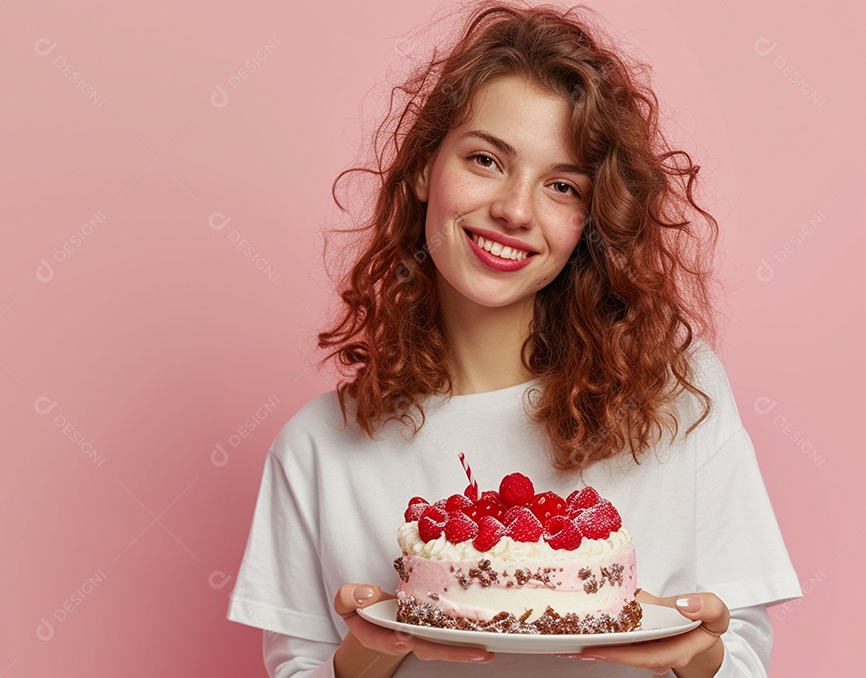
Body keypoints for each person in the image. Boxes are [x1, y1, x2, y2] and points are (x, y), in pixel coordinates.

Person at [227, 2, 802, 676]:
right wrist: (372, 647)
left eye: (561, 185)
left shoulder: (680, 397)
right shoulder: (319, 448)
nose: (515, 209)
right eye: (485, 159)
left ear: (590, 218)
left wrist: (699, 654)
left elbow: (741, 661)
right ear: (421, 169)